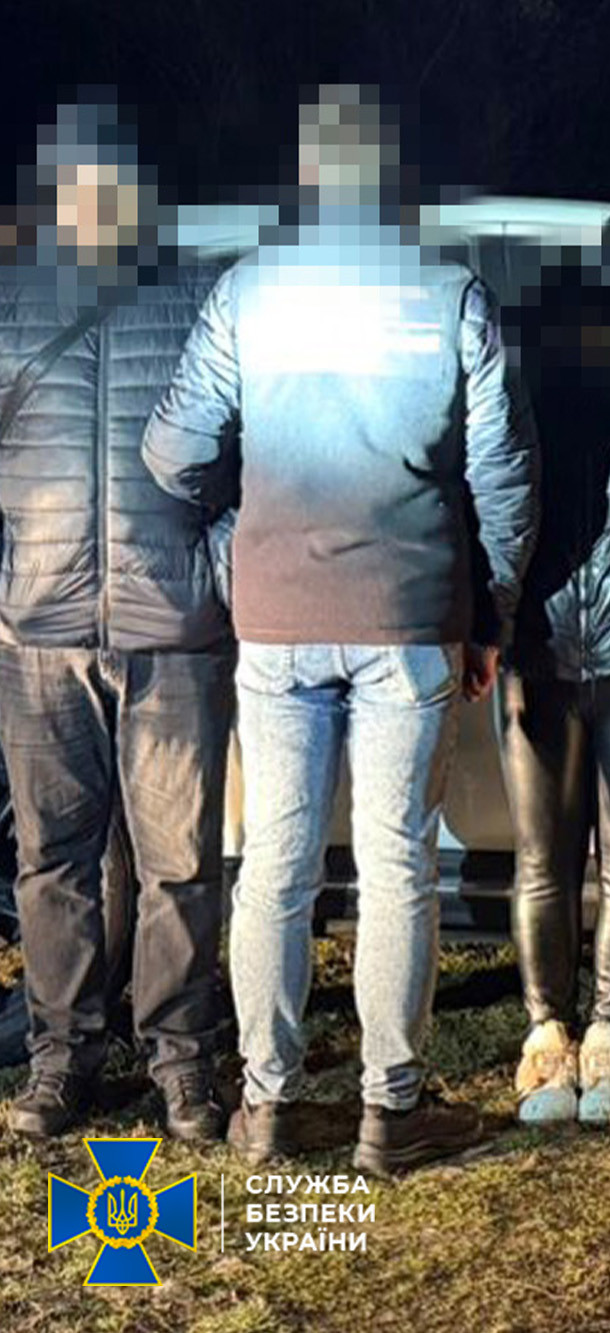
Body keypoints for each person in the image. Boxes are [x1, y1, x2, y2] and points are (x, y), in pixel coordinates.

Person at [144, 85, 538, 1174]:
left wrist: (241, 530)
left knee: (275, 863)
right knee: (398, 860)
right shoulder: (449, 295)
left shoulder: (249, 292)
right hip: (410, 616)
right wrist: (491, 613)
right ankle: (389, 1110)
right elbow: (503, 475)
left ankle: (267, 1104)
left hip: (276, 620)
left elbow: (174, 452)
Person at [0, 100, 235, 1141]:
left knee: (179, 861)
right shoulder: (10, 305)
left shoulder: (196, 296)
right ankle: (62, 1062)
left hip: (172, 630)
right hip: (39, 634)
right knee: (52, 860)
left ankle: (182, 1059)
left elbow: (247, 455)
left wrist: (213, 576)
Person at [501, 269, 610, 1126]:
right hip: (585, 646)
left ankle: (596, 1032)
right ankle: (564, 1033)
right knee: (588, 857)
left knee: (599, 857)